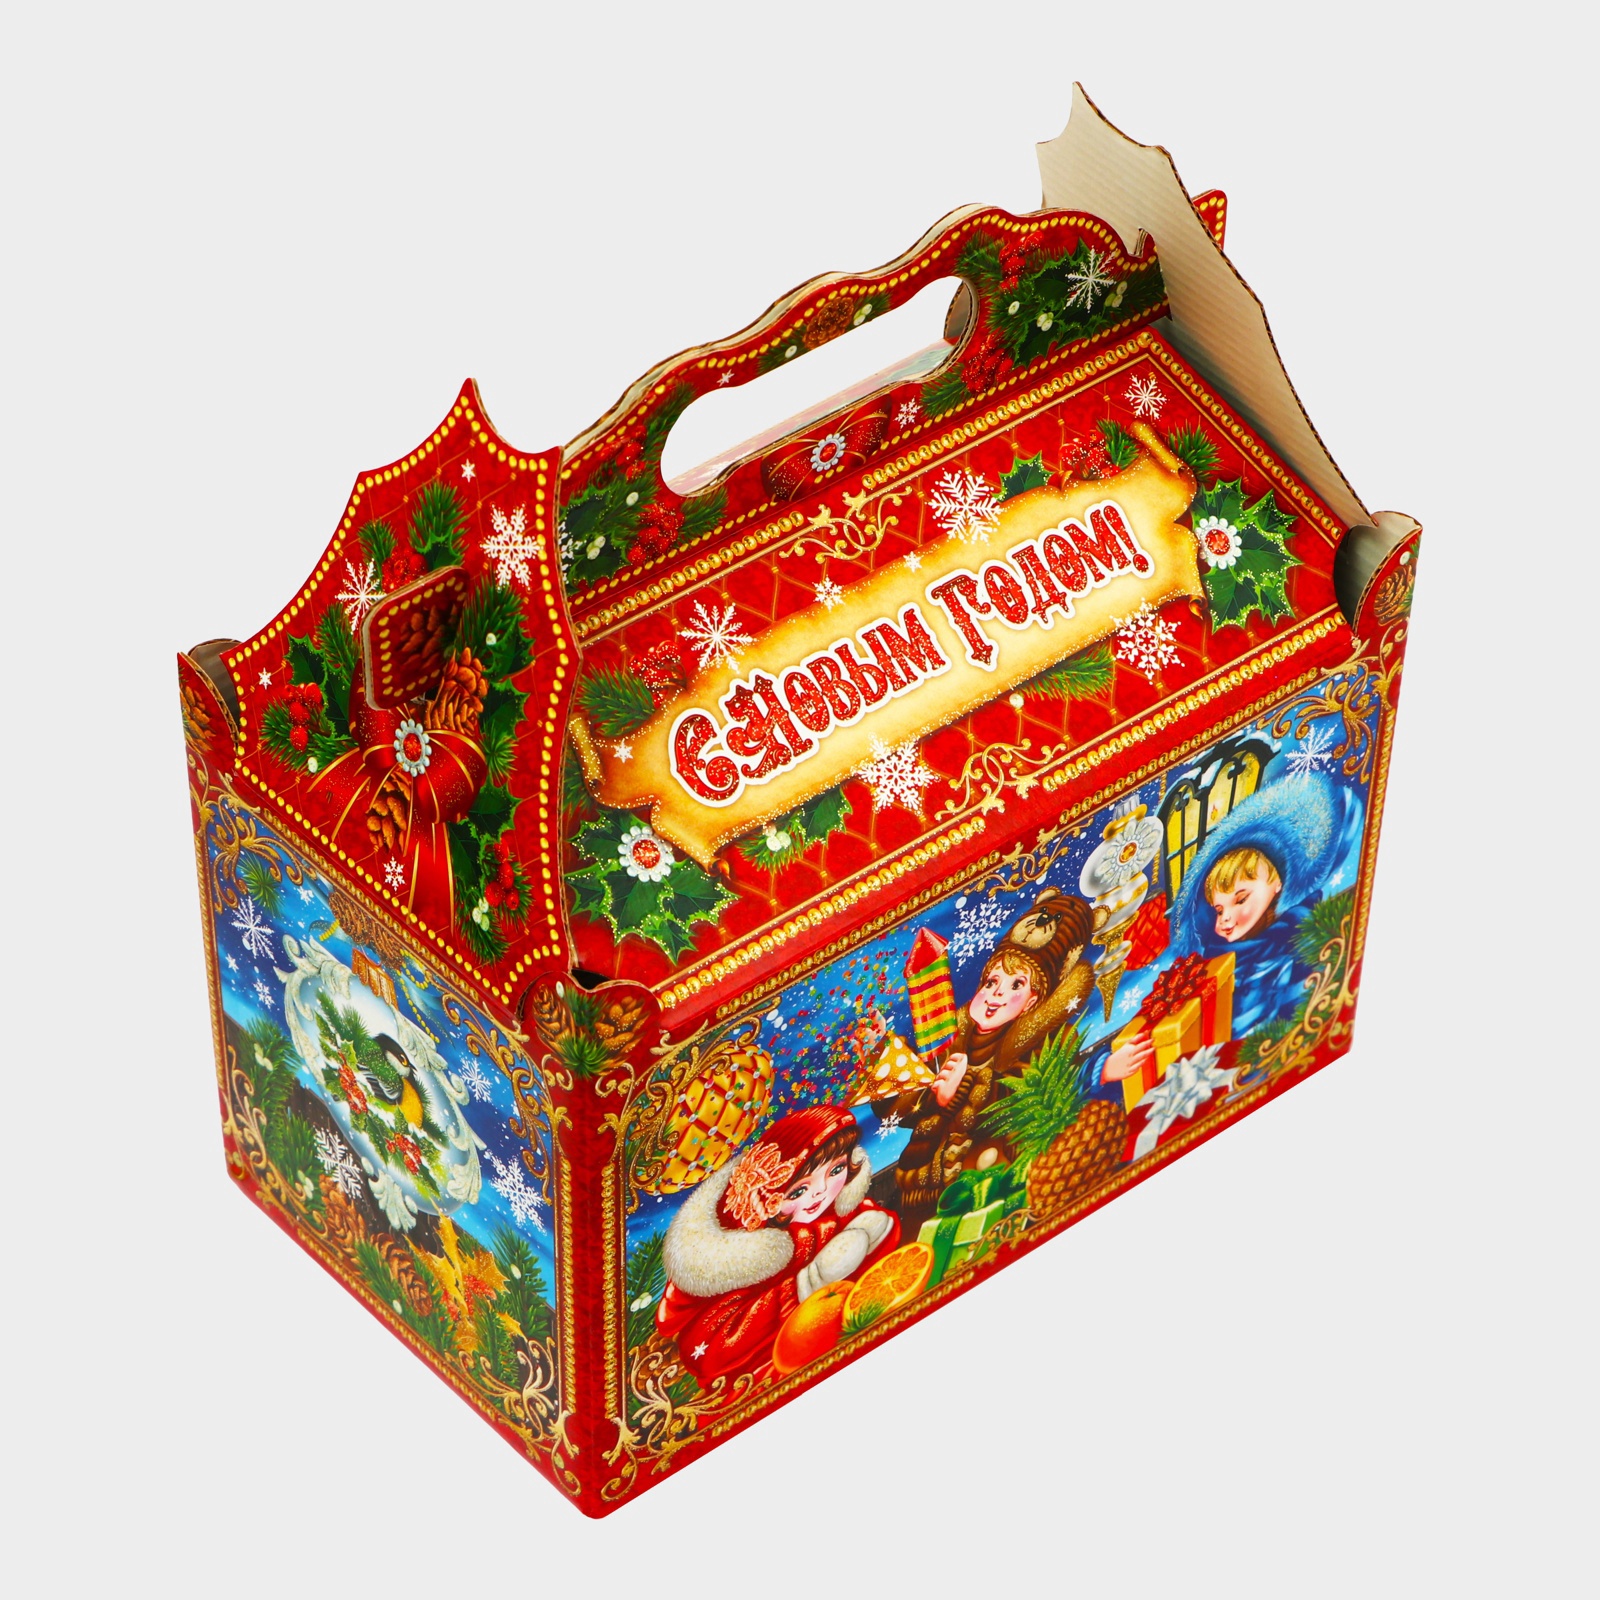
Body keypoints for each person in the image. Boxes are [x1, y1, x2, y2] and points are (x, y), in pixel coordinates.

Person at [880, 888, 1147, 1232]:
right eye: (992, 981)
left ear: (1033, 1000)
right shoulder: (950, 1039)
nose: (997, 993)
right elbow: (900, 1109)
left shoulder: (1038, 1046)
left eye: (1016, 984)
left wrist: (1103, 1069)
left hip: (982, 1192)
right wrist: (889, 1056)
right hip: (916, 1188)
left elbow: (1029, 1096)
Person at [656, 1105, 899, 1383]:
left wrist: (872, 1233)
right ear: (765, 1197)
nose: (821, 1191)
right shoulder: (746, 1257)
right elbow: (707, 1350)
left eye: (837, 1169)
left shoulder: (840, 1212)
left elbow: (885, 1259)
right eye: (799, 1190)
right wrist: (803, 1286)